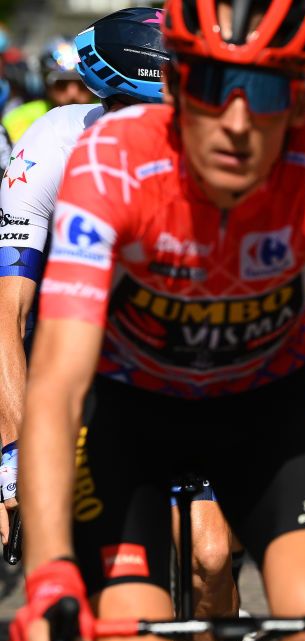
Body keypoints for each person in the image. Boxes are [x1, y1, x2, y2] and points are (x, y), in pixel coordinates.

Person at [8, 1, 305, 641]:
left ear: (301, 98)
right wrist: (47, 575)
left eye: (267, 90)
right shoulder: (111, 159)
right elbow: (58, 381)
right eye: (213, 86)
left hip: (265, 411)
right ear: (176, 87)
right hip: (129, 415)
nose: (238, 124)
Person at [0, 6, 169, 554]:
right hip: (74, 362)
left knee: (211, 559)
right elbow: (8, 313)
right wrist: (14, 455)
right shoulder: (50, 146)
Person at [3, 38, 94, 142]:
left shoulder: (109, 112)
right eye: (61, 84)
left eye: (82, 84)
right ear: (44, 84)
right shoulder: (17, 119)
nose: (72, 92)